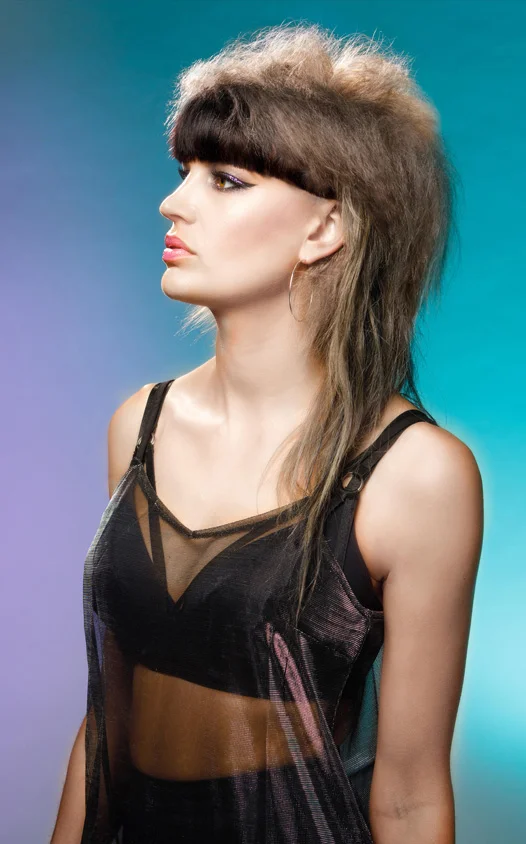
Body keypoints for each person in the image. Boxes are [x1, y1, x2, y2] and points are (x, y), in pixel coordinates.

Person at [50, 22, 483, 844]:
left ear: (326, 229)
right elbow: (103, 725)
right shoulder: (139, 427)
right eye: (183, 172)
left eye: (227, 180)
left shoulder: (415, 475)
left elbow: (410, 797)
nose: (173, 202)